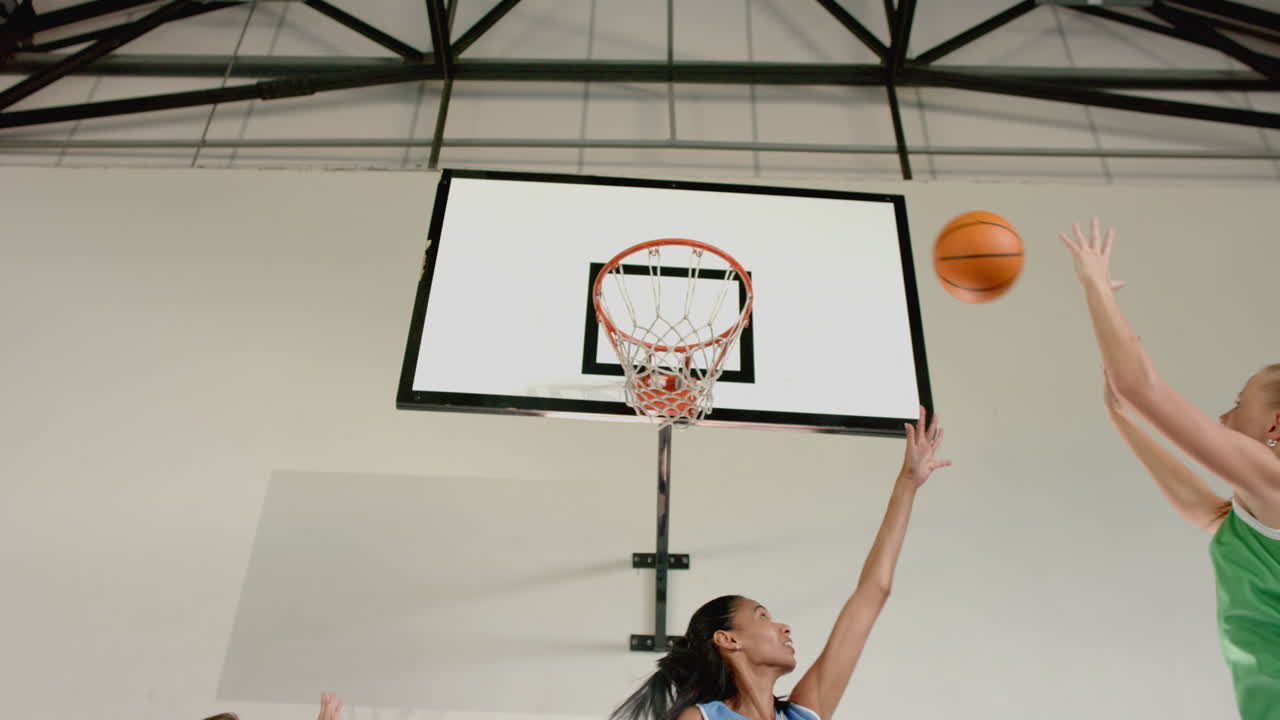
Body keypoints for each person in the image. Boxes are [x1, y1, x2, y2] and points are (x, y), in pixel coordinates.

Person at [1061, 217, 1280, 718]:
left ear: (1276, 424)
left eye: (1237, 403)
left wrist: (1096, 287)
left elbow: (1142, 385)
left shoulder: (1271, 477)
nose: (1224, 417)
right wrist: (1121, 418)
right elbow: (1205, 513)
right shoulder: (1260, 509)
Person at [610, 407, 949, 720]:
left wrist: (908, 482)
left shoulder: (803, 713)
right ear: (728, 640)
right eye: (762, 617)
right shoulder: (701, 718)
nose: (784, 627)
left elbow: (873, 592)